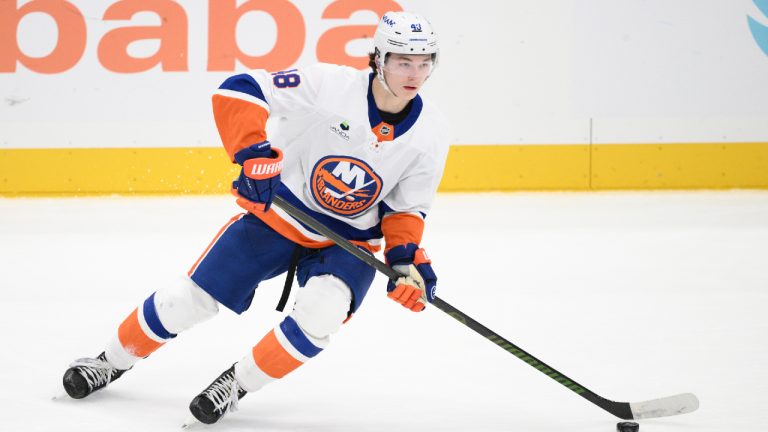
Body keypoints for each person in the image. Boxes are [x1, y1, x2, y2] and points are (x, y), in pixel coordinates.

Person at [62, 11, 449, 425]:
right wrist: (252, 154)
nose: (415, 73)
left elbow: (405, 208)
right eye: (403, 61)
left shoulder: (431, 133)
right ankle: (110, 361)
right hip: (281, 216)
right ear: (378, 59)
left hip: (349, 243)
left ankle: (236, 385)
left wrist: (406, 260)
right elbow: (242, 89)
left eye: (425, 62)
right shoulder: (329, 86)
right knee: (185, 301)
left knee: (322, 314)